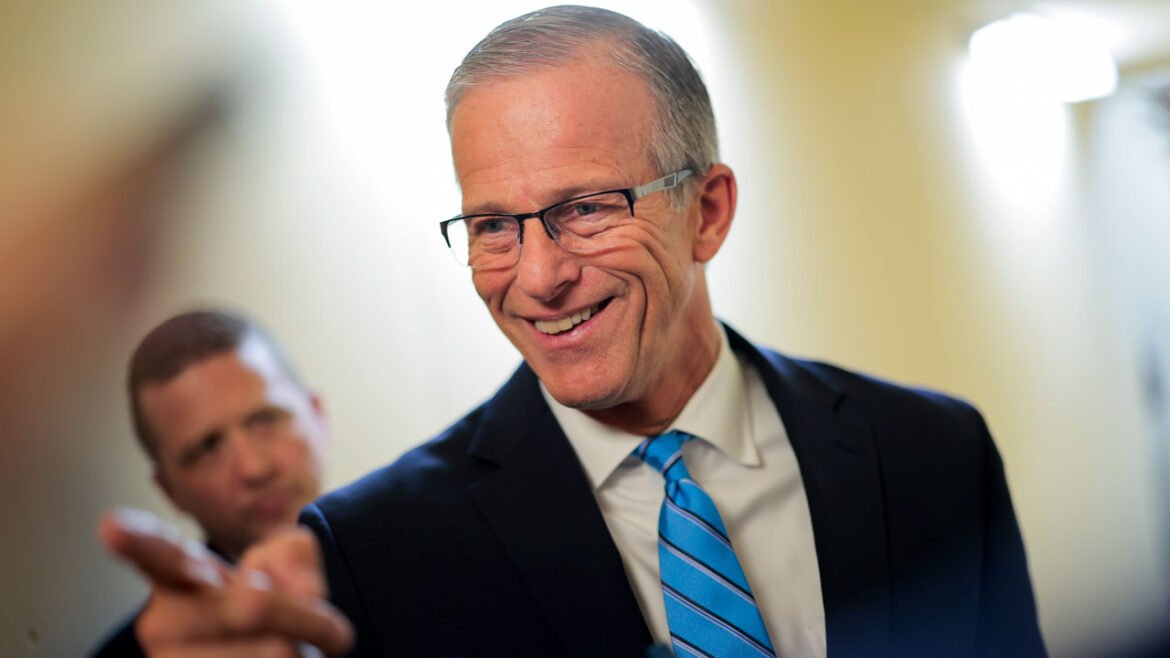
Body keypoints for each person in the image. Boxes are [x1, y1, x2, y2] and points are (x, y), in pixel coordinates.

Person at [101, 6, 1046, 657]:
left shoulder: (932, 453)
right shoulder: (373, 553)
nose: (540, 276)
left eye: (587, 209)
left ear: (707, 212)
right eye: (492, 226)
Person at [91, 310, 330, 657]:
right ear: (170, 491)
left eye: (265, 419)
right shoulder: (153, 651)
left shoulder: (420, 548)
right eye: (208, 448)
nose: (254, 468)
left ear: (318, 415)